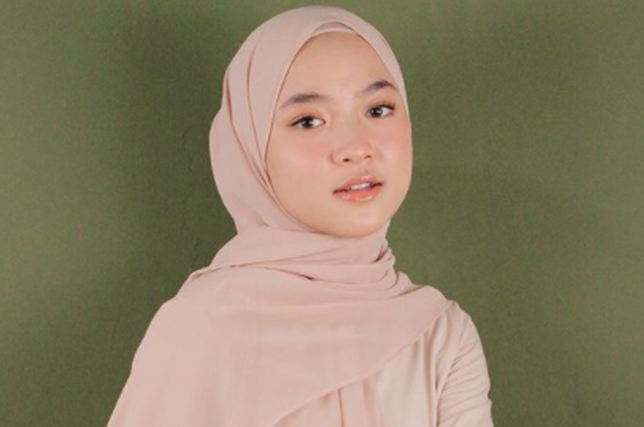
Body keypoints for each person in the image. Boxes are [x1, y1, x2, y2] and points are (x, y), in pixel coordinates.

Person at [107, 6, 493, 427]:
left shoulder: (439, 333)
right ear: (251, 150)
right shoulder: (200, 327)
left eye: (379, 110)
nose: (355, 147)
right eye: (308, 121)